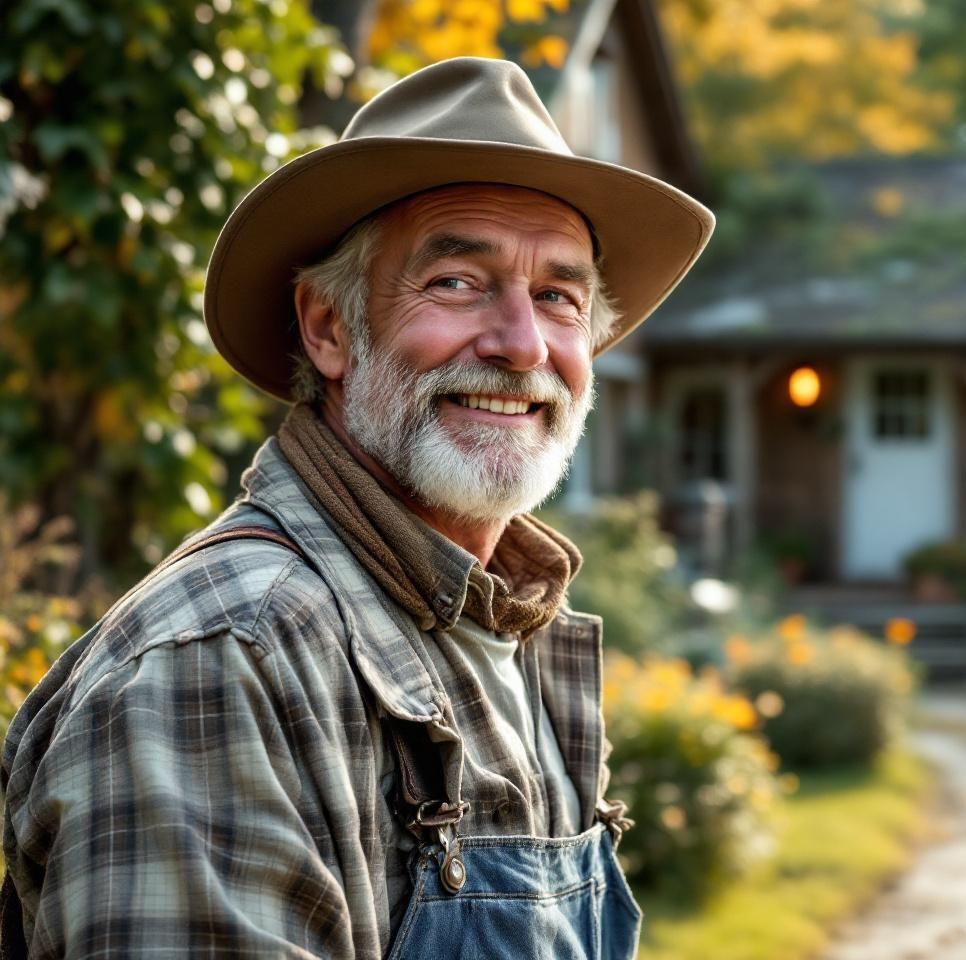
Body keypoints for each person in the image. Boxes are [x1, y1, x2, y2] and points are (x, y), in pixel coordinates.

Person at [0, 57, 713, 959]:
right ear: (328, 329)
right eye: (457, 281)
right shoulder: (220, 663)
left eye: (558, 298)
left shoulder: (500, 623)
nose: (522, 344)